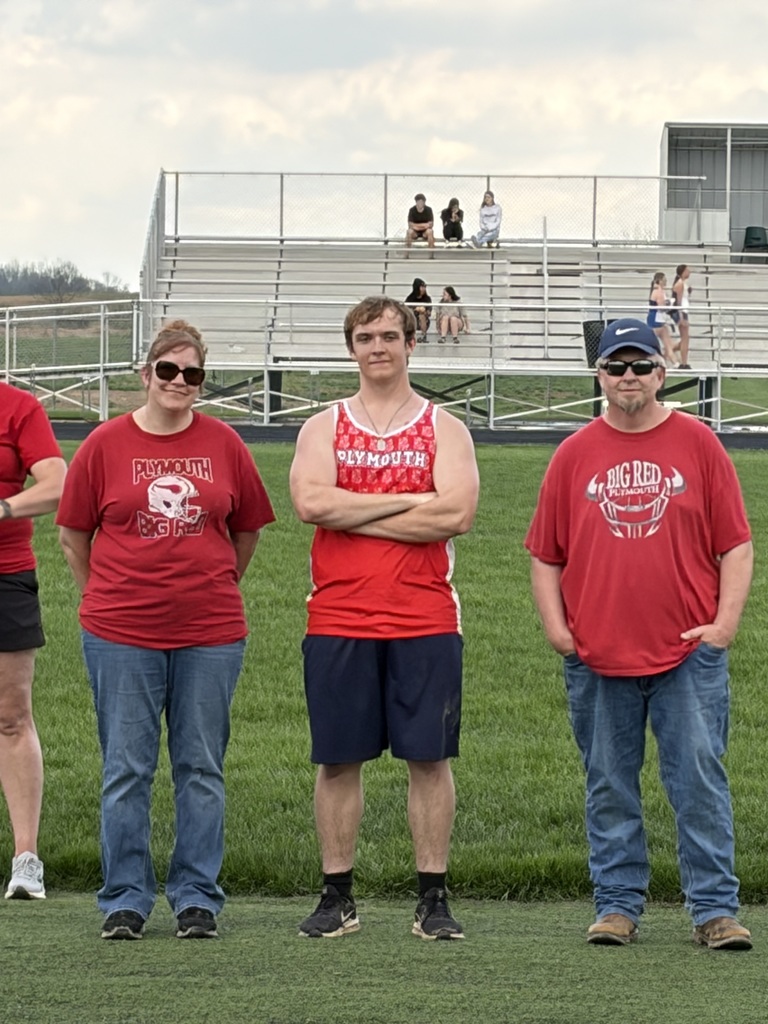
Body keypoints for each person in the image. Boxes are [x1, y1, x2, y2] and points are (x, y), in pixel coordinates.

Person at [525, 317, 754, 952]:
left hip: (687, 652)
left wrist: (723, 627)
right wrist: (558, 631)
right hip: (598, 655)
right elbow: (545, 554)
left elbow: (735, 543)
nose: (629, 377)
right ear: (599, 375)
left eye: (641, 366)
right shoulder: (574, 453)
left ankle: (714, 910)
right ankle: (618, 906)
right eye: (616, 367)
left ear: (661, 372)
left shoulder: (698, 443)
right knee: (609, 784)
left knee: (699, 781)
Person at [57, 320, 275, 941]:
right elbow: (74, 535)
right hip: (120, 632)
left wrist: (218, 584)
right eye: (168, 370)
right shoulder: (103, 444)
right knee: (126, 768)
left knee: (200, 766)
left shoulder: (226, 443)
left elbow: (248, 529)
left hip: (210, 631)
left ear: (202, 381)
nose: (180, 382)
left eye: (193, 373)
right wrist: (101, 594)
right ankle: (124, 897)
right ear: (145, 373)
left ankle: (195, 896)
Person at [289, 295, 479, 941]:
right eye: (366, 337)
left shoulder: (443, 428)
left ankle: (433, 898)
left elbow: (455, 514)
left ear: (410, 345)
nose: (378, 347)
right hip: (338, 617)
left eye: (390, 336)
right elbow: (312, 504)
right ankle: (336, 896)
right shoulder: (323, 426)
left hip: (425, 616)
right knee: (339, 761)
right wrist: (408, 502)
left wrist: (360, 506)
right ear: (351, 348)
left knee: (429, 759)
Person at [0, 385, 66, 900]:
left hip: (6, 575)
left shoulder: (19, 407)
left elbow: (56, 485)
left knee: (11, 716)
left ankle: (26, 859)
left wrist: (2, 509)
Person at [646, 272, 678, 367]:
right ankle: (675, 363)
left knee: (668, 343)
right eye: (664, 280)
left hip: (656, 320)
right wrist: (671, 304)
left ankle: (669, 362)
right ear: (660, 281)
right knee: (668, 344)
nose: (666, 282)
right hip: (656, 321)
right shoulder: (658, 292)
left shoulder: (658, 291)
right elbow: (662, 307)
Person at [670, 264, 692, 369]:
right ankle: (683, 362)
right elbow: (678, 302)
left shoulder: (683, 283)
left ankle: (670, 350)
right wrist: (680, 317)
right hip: (681, 312)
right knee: (685, 337)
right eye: (687, 270)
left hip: (684, 310)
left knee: (685, 338)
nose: (689, 272)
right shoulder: (679, 284)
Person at [404, 277, 432, 342]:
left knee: (422, 316)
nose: (424, 289)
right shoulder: (410, 298)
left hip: (423, 320)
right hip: (412, 320)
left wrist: (424, 311)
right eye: (422, 287)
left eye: (424, 287)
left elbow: (429, 312)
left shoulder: (427, 299)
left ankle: (423, 336)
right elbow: (405, 310)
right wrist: (415, 309)